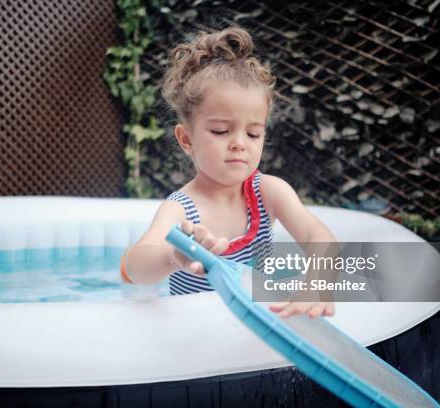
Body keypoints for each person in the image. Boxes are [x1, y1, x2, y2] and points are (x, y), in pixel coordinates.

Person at [121, 26, 336, 318]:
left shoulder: (269, 192)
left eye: (253, 133)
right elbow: (135, 266)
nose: (239, 144)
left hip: (254, 330)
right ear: (186, 139)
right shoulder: (180, 209)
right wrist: (173, 256)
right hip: (196, 336)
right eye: (221, 131)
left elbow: (320, 238)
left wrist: (317, 285)